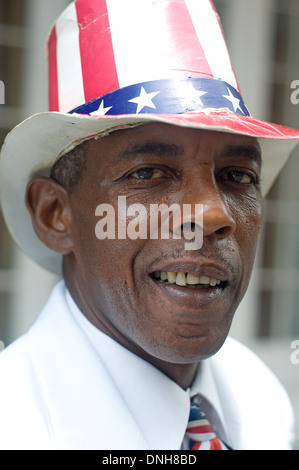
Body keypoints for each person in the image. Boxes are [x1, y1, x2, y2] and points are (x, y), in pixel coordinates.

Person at [0, 0, 298, 451]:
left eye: (237, 176)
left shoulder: (260, 395)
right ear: (55, 215)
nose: (213, 215)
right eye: (147, 173)